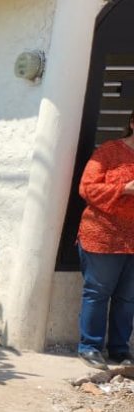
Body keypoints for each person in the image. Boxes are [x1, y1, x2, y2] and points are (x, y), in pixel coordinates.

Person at [75, 109, 134, 371]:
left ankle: (120, 349)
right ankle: (90, 347)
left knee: (129, 297)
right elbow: (86, 188)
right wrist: (124, 188)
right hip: (103, 235)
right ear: (132, 123)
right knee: (98, 293)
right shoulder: (109, 152)